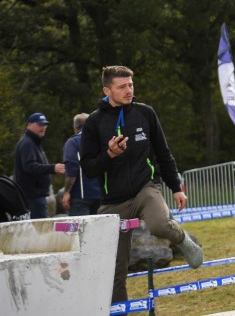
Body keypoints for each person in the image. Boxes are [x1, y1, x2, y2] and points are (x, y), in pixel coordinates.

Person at [80, 65, 203, 302]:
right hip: (113, 200)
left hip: (146, 189)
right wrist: (110, 155)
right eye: (122, 86)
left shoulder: (146, 113)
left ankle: (183, 240)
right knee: (115, 266)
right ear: (107, 90)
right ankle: (120, 308)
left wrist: (176, 187)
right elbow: (88, 167)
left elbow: (163, 153)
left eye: (131, 85)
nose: (129, 90)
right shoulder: (93, 123)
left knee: (159, 226)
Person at [13, 113, 65, 219]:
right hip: (32, 198)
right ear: (30, 125)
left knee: (40, 229)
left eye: (45, 125)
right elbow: (29, 166)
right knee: (41, 231)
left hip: (35, 197)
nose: (43, 127)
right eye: (40, 124)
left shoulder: (33, 142)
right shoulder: (27, 143)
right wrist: (52, 168)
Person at [62, 113, 101, 216]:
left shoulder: (73, 142)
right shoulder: (101, 140)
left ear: (75, 127)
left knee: (80, 231)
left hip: (81, 197)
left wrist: (66, 192)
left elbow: (72, 169)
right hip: (101, 196)